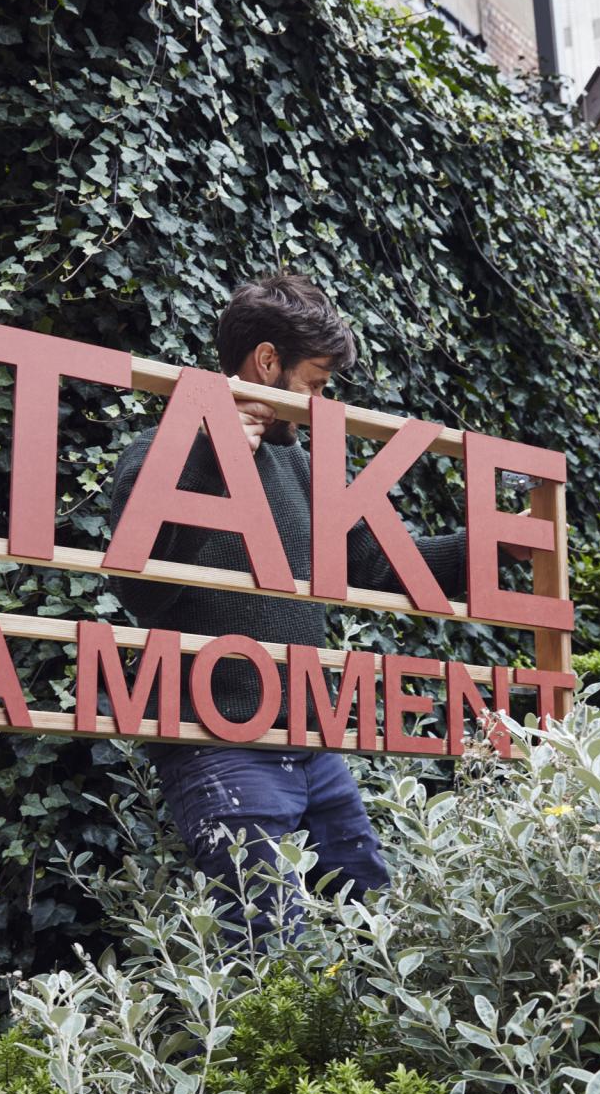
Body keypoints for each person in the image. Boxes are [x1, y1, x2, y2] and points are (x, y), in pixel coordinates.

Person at [107, 274, 474, 934]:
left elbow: (378, 561)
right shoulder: (166, 451)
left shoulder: (305, 468)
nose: (321, 400)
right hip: (217, 742)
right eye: (315, 381)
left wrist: (494, 547)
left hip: (310, 739)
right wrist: (209, 450)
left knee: (373, 932)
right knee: (267, 948)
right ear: (267, 361)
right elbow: (140, 585)